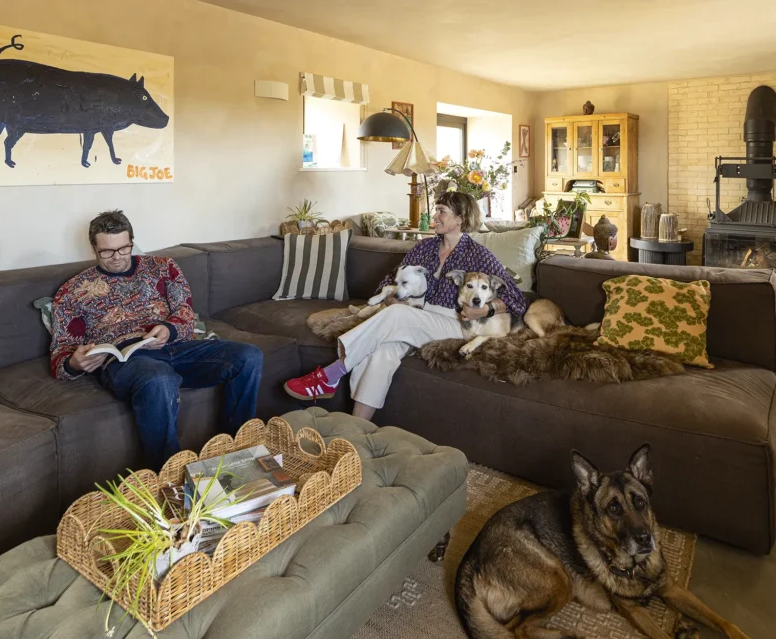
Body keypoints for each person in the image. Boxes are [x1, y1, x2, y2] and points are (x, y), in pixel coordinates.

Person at [283, 191, 527, 421]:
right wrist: (389, 297)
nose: (435, 216)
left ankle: (331, 374)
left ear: (460, 218)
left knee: (399, 314)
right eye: (437, 210)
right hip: (414, 321)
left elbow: (516, 299)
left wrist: (486, 310)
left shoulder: (478, 254)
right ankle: (356, 431)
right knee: (381, 353)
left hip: (454, 325)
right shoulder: (424, 247)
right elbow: (390, 280)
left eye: (442, 211)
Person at [49, 210, 264, 467]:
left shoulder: (164, 268)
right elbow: (60, 353)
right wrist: (74, 363)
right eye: (107, 251)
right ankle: (169, 474)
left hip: (178, 348)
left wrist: (169, 330)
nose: (117, 258)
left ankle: (236, 454)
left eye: (123, 248)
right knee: (158, 378)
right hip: (127, 363)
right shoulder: (74, 290)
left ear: (132, 242)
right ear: (94, 248)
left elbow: (185, 313)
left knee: (249, 356)